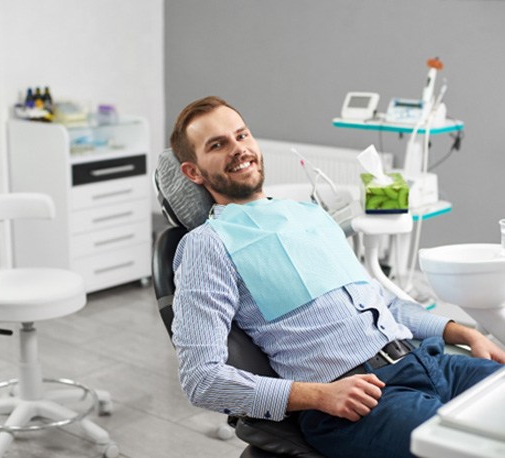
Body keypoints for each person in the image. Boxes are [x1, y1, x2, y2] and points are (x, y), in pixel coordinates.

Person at [169, 95, 505, 458]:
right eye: (217, 145)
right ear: (194, 172)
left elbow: (385, 303)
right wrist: (319, 396)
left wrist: (466, 333)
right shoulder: (207, 245)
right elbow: (201, 380)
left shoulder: (309, 214)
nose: (238, 149)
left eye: (242, 135)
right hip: (357, 401)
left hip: (428, 360)